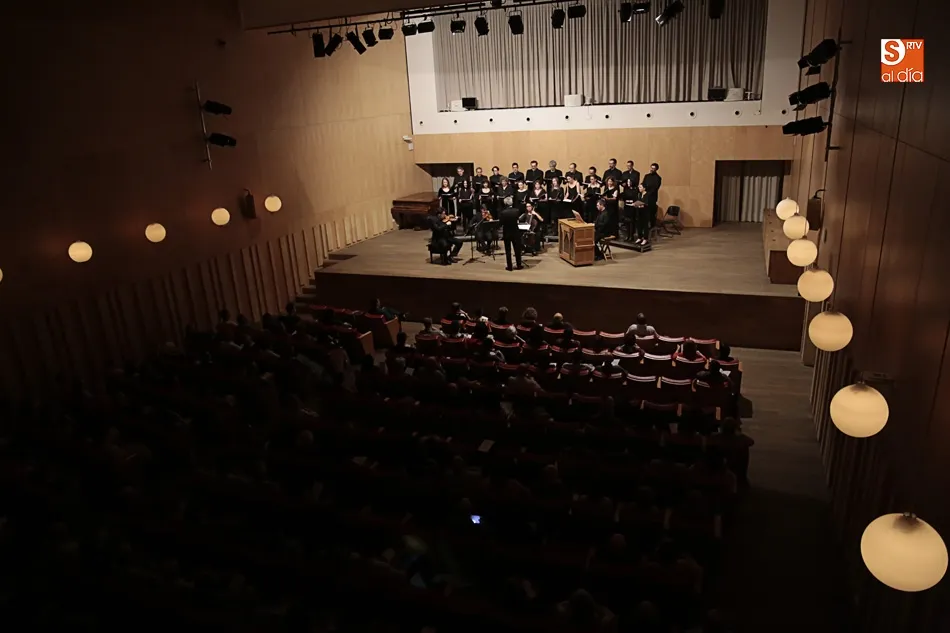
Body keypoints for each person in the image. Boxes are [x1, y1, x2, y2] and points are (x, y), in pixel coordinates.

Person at [499, 196, 524, 271]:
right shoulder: (516, 211)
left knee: (508, 250)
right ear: (511, 202)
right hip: (515, 232)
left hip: (507, 233)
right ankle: (519, 265)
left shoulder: (503, 212)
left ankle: (509, 267)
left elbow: (501, 223)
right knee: (517, 249)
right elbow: (518, 220)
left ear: (505, 203)